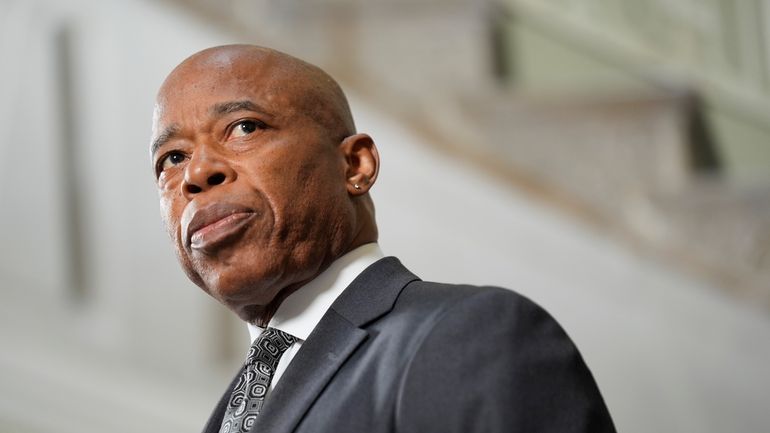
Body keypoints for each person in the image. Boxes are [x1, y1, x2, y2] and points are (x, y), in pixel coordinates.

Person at [150, 44, 616, 433]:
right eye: (171, 158)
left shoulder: (468, 336)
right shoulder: (238, 406)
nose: (195, 172)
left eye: (245, 127)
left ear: (355, 166)